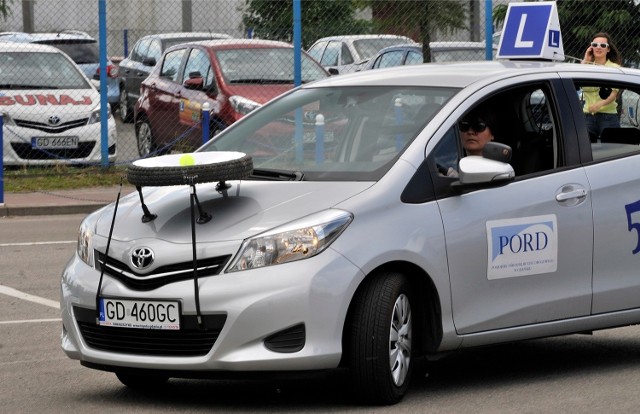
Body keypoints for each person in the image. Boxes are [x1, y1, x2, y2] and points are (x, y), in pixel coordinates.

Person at [581, 32, 622, 138]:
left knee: (611, 151)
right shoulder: (586, 67)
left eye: (603, 45)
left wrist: (599, 104)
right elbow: (575, 78)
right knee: (586, 150)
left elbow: (613, 94)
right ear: (591, 48)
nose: (598, 48)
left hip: (608, 116)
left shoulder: (614, 67)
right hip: (587, 116)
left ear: (608, 49)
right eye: (595, 45)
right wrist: (586, 59)